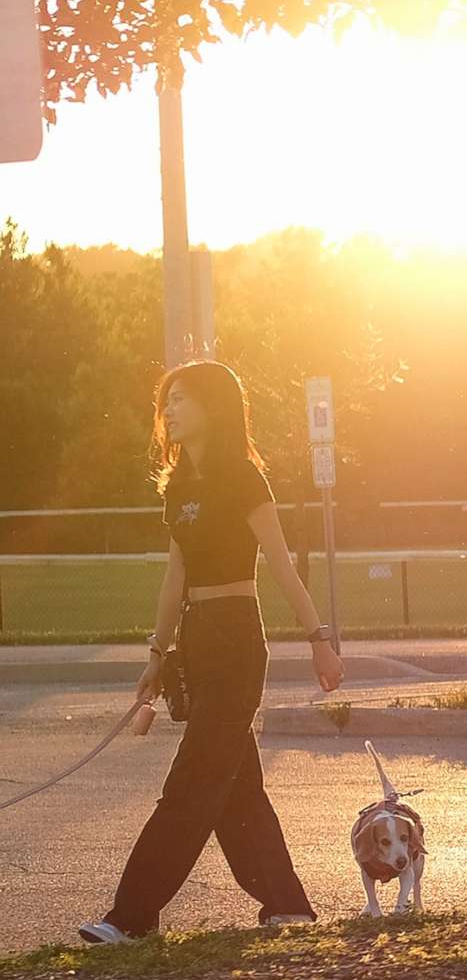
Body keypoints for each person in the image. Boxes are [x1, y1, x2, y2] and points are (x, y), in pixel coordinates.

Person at [77, 361, 346, 943]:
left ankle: (132, 918)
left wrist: (320, 642)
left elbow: (280, 565)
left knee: (193, 782)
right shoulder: (179, 486)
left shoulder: (245, 478)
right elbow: (175, 575)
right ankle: (287, 904)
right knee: (235, 786)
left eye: (180, 399)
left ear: (213, 407)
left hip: (237, 638)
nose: (168, 411)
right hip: (197, 641)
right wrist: (157, 654)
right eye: (165, 401)